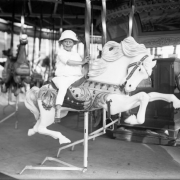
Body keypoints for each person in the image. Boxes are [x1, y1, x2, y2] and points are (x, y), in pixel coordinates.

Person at [52, 30, 89, 121]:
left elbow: (80, 67)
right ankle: (58, 107)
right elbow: (68, 62)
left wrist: (86, 65)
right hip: (64, 77)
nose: (68, 44)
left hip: (75, 77)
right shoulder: (61, 53)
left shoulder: (76, 54)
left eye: (70, 42)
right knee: (63, 87)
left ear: (73, 44)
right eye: (65, 41)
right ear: (62, 43)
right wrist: (82, 61)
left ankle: (84, 103)